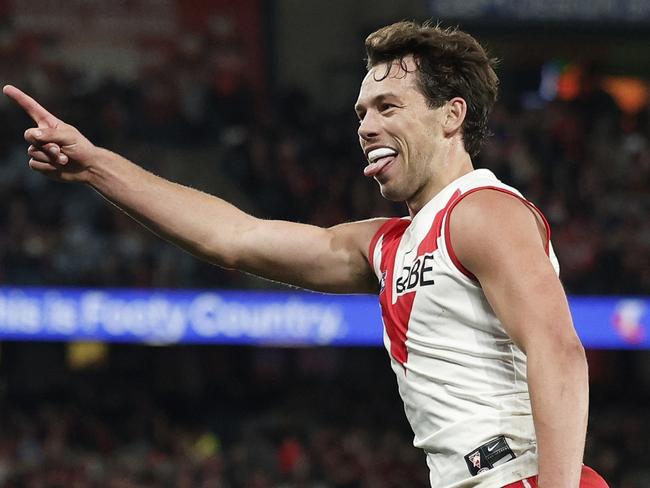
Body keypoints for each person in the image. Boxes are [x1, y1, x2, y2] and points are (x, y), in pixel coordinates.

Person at [5, 21, 608, 488]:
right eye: (362, 113)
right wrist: (96, 166)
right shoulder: (389, 243)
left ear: (452, 116)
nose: (365, 127)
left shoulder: (483, 212)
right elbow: (234, 237)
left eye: (388, 108)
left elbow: (558, 353)